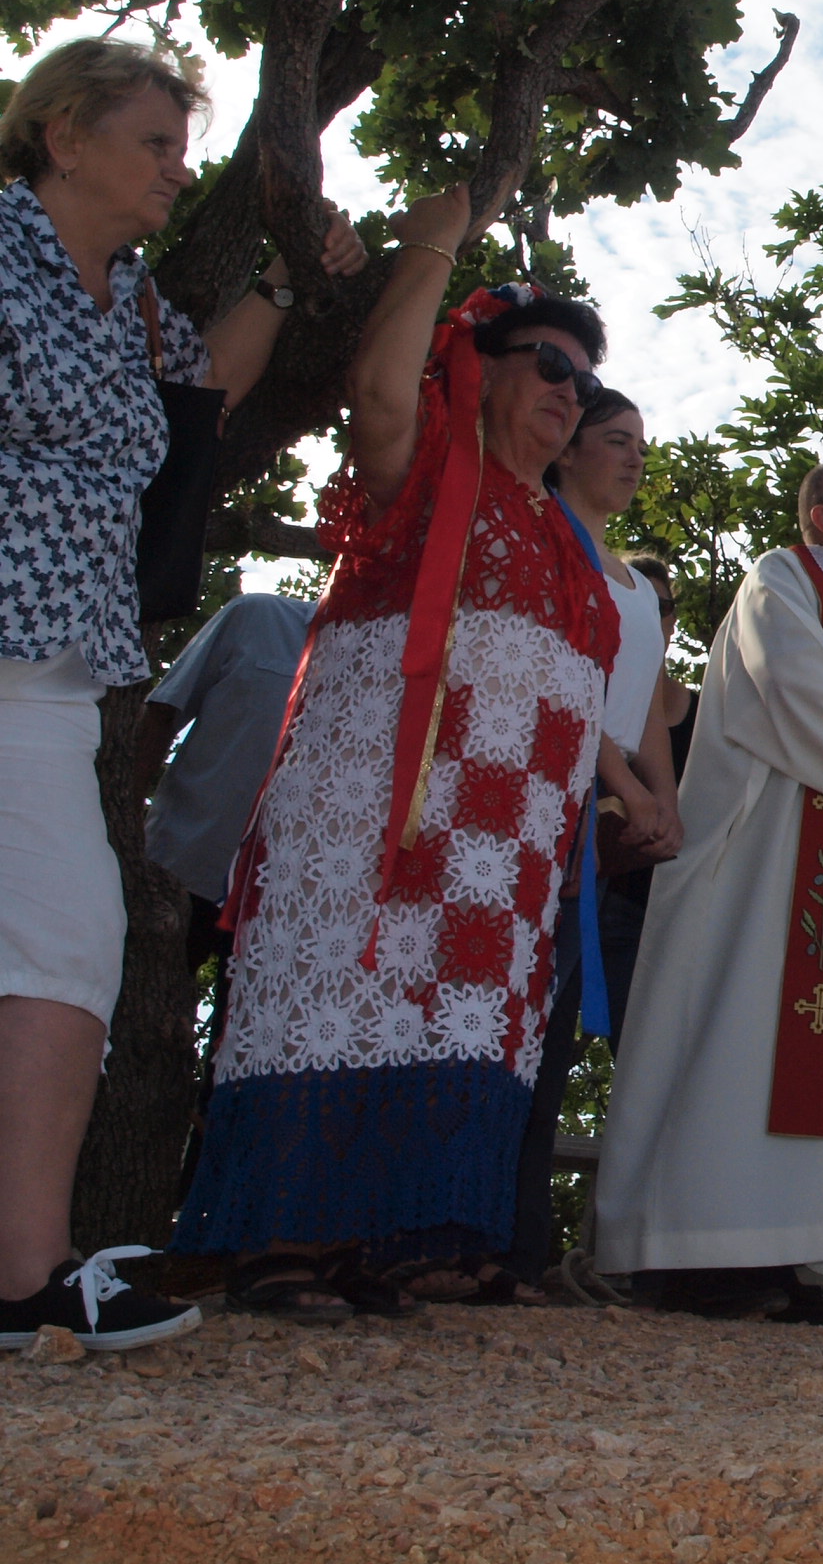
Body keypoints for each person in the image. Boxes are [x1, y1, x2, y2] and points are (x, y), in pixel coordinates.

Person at [171, 186, 621, 1322]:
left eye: (585, 380)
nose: (572, 394)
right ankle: (278, 1239)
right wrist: (434, 242)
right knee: (336, 980)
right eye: (549, 366)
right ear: (482, 361)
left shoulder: (563, 539)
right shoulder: (427, 469)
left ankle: (374, 1235)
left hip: (502, 846)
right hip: (380, 805)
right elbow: (377, 385)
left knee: (452, 1011)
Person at [0, 38, 360, 1353]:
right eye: (153, 141)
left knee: (69, 947)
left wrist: (279, 275)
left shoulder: (130, 296)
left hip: (52, 671)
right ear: (61, 136)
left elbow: (202, 385)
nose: (176, 166)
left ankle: (25, 1275)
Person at [595, 457, 823, 1313]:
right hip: (766, 870)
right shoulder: (780, 580)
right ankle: (695, 1255)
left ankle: (794, 1257)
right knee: (744, 1038)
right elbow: (797, 692)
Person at [488, 390, 682, 1303]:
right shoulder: (545, 537)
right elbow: (567, 673)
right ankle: (472, 1235)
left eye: (642, 444)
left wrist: (663, 799)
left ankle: (517, 1245)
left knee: (554, 1021)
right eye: (615, 440)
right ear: (567, 450)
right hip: (528, 791)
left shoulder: (637, 581)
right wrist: (626, 785)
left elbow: (642, 700)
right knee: (503, 1010)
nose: (633, 458)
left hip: (591, 821)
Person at [141, 590, 321, 1194]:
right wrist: (111, 835)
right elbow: (159, 714)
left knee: (240, 1076)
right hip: (179, 871)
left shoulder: (401, 661)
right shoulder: (257, 617)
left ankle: (200, 1236)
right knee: (131, 1042)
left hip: (285, 905)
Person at [597, 554, 697, 1051]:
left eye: (664, 606)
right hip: (595, 893)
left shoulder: (707, 716)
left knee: (653, 1060)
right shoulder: (580, 684)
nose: (655, 616)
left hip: (671, 913)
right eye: (643, 602)